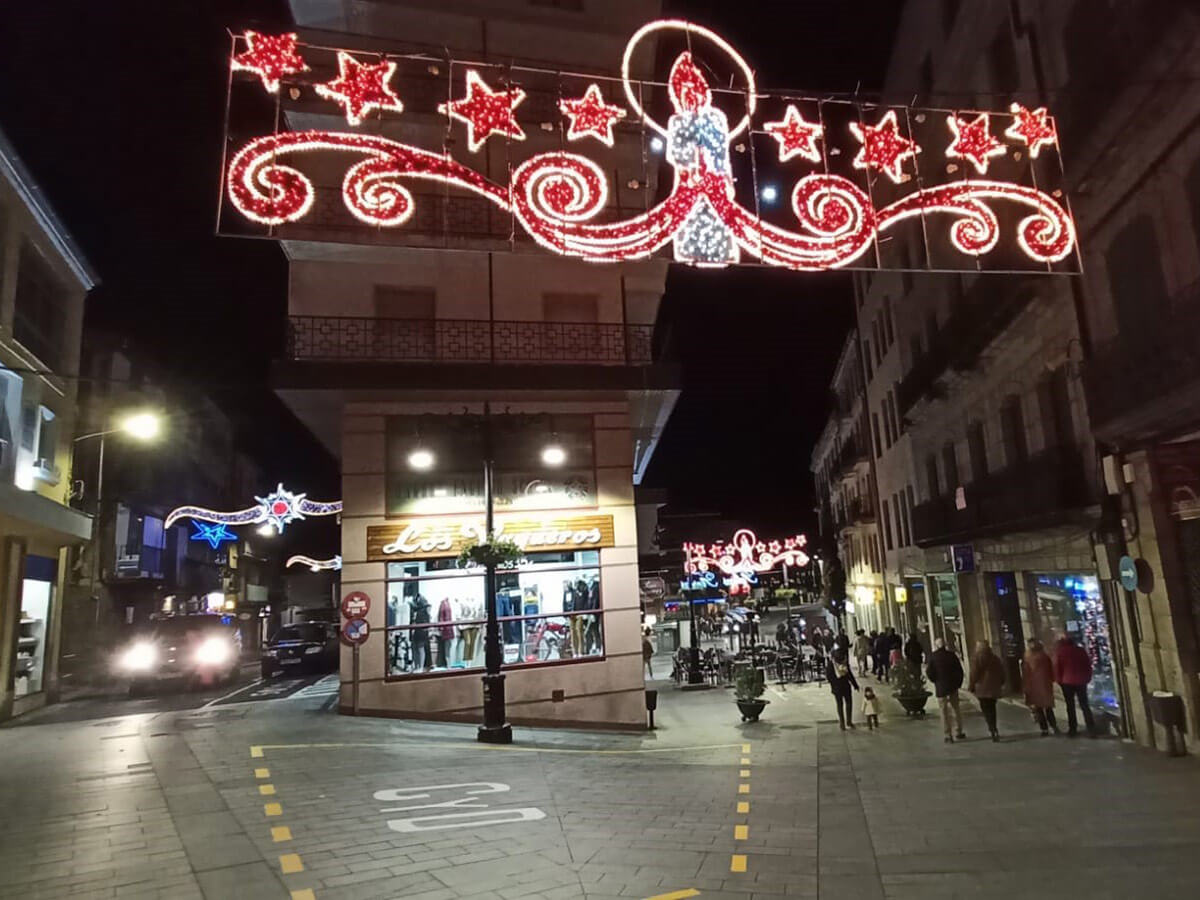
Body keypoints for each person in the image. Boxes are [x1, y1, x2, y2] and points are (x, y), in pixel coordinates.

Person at [1054, 633, 1097, 737]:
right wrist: (1087, 678)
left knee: (1070, 706)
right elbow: (1088, 665)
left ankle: (1073, 729)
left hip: (1067, 682)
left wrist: (1059, 680)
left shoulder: (1061, 652)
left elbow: (1057, 668)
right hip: (1081, 681)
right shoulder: (1081, 651)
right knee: (1084, 705)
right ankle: (1091, 728)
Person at [926, 638, 966, 743]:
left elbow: (929, 672)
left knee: (943, 711)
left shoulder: (933, 656)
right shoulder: (952, 655)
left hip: (941, 687)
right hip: (953, 686)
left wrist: (935, 681)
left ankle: (948, 734)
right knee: (956, 708)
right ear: (945, 645)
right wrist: (958, 683)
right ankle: (959, 731)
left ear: (936, 646)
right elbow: (959, 671)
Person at [968, 641, 1007, 742]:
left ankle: (992, 728)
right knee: (992, 709)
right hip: (993, 688)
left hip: (981, 688)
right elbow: (1001, 671)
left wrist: (971, 686)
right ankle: (994, 727)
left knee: (985, 709)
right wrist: (1001, 682)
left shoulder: (977, 659)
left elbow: (974, 674)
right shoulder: (995, 658)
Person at [1021, 638, 1058, 736]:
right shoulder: (1044, 655)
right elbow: (1051, 670)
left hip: (1034, 685)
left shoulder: (1028, 656)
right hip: (1044, 684)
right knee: (1047, 708)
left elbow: (1026, 673)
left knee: (1039, 708)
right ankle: (1053, 726)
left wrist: (1026, 687)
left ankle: (1045, 729)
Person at [826, 647, 860, 730]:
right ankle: (847, 722)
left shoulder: (832, 664)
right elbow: (849, 675)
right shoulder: (841, 663)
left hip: (839, 687)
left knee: (841, 704)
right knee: (846, 704)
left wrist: (833, 685)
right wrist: (855, 685)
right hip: (843, 686)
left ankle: (844, 722)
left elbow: (829, 677)